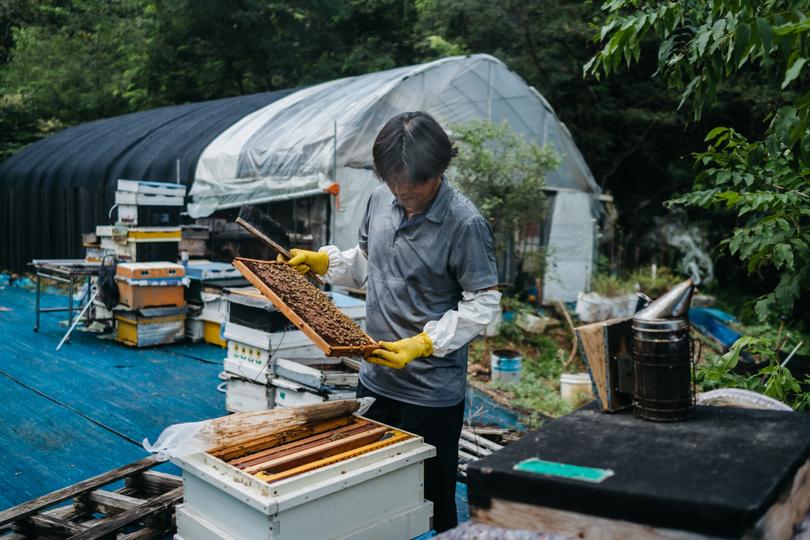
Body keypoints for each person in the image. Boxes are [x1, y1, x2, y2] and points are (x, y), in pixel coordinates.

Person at [279, 111, 501, 532]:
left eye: (412, 183)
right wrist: (326, 262)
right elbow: (367, 261)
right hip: (375, 381)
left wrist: (422, 344)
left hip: (431, 394)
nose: (402, 192)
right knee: (371, 491)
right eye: (392, 181)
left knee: (430, 500)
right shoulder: (380, 200)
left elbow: (483, 304)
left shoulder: (465, 223)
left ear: (438, 170)